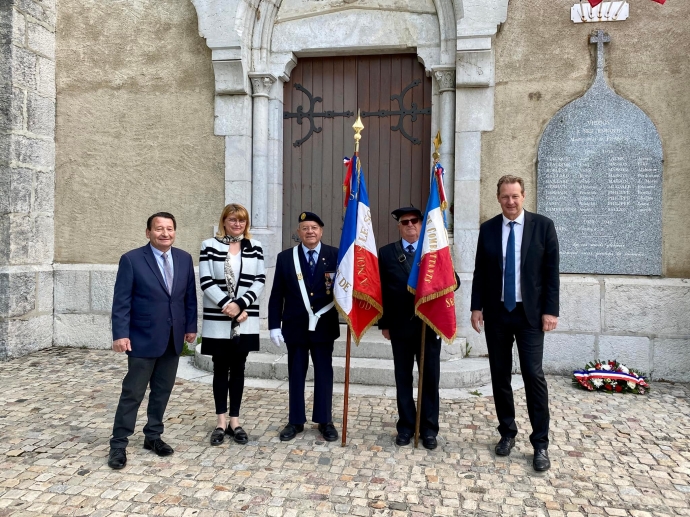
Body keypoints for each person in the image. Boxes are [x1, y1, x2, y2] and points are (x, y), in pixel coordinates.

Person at [470, 175, 559, 472]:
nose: (510, 201)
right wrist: (476, 307)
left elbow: (551, 274)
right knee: (500, 375)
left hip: (530, 315)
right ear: (498, 198)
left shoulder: (543, 226)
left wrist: (550, 311)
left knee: (534, 375)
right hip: (497, 314)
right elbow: (481, 271)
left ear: (524, 197)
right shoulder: (489, 229)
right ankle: (507, 432)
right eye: (505, 196)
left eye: (515, 196)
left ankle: (540, 443)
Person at [108, 212, 198, 470]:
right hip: (141, 339)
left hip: (172, 339)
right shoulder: (132, 260)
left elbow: (188, 297)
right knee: (133, 393)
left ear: (175, 232)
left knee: (162, 392)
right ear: (148, 232)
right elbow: (121, 301)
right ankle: (118, 444)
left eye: (169, 228)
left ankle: (153, 436)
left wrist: (190, 327)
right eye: (159, 229)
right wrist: (120, 334)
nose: (165, 233)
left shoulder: (184, 258)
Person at [378, 206, 459, 450]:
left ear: (422, 225)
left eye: (415, 221)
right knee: (403, 378)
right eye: (405, 222)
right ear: (399, 226)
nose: (410, 225)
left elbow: (454, 282)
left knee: (429, 379)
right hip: (400, 328)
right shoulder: (387, 253)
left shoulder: (433, 252)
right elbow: (382, 291)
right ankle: (405, 426)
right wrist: (384, 324)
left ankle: (429, 428)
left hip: (428, 326)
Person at [268, 211, 340, 442]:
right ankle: (295, 421)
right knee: (296, 373)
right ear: (299, 233)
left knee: (324, 373)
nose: (310, 231)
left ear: (321, 231)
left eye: (314, 227)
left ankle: (324, 420)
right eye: (305, 228)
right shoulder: (286, 257)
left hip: (324, 326)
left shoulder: (336, 255)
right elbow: (277, 293)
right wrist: (273, 325)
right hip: (296, 326)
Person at [199, 204, 266, 446]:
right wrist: (228, 305)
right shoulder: (210, 245)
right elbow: (206, 280)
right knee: (220, 369)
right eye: (232, 219)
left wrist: (240, 304)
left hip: (245, 318)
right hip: (219, 318)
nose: (237, 224)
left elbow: (259, 280)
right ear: (224, 221)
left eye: (241, 220)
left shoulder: (255, 246)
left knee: (238, 368)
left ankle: (235, 421)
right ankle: (220, 421)